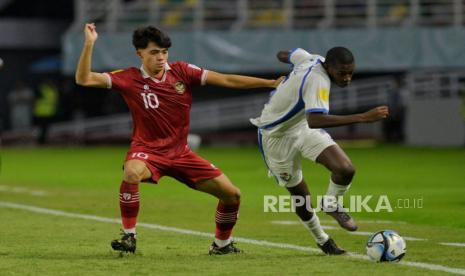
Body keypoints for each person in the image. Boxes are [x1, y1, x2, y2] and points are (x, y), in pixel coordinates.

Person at [75, 23, 282, 255]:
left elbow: (225, 80)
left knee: (232, 195)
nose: (161, 57)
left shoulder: (182, 72)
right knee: (131, 172)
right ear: (140, 54)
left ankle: (222, 245)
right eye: (154, 53)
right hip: (148, 152)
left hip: (181, 154)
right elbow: (84, 79)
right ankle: (129, 236)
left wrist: (269, 83)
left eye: (164, 52)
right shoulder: (129, 78)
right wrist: (89, 44)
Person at [251, 47, 389, 255]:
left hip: (301, 128)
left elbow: (284, 53)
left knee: (345, 169)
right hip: (275, 137)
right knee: (301, 196)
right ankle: (322, 239)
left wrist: (288, 67)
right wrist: (363, 117)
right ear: (329, 67)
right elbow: (316, 120)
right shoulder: (319, 80)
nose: (347, 78)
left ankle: (331, 204)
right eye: (342, 73)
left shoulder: (311, 58)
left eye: (351, 72)